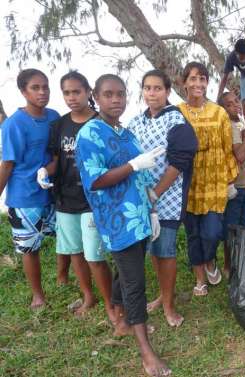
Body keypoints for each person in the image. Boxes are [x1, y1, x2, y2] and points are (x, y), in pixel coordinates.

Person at [75, 74, 170, 377]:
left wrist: (152, 210)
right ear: (96, 96)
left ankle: (123, 321)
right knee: (135, 282)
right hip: (118, 220)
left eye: (120, 94)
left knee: (126, 271)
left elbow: (140, 177)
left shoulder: (125, 132)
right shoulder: (90, 133)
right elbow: (96, 180)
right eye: (108, 94)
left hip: (139, 214)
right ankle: (146, 352)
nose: (115, 100)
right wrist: (132, 165)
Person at [40, 71, 114, 320]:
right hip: (65, 198)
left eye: (76, 92)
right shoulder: (59, 125)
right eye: (67, 93)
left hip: (93, 199)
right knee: (75, 252)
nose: (71, 97)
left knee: (94, 254)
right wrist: (44, 171)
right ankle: (88, 296)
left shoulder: (101, 122)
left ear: (88, 93)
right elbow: (57, 160)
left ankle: (110, 305)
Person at [128, 69, 197, 327]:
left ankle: (169, 305)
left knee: (166, 250)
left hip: (167, 198)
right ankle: (161, 295)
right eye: (147, 88)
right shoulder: (136, 121)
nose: (152, 93)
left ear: (167, 92)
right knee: (155, 250)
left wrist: (155, 193)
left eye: (158, 88)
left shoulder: (176, 122)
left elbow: (178, 163)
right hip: (141, 197)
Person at [178, 62, 238, 296]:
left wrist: (229, 179)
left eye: (202, 79)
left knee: (212, 232)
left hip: (214, 181)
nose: (198, 84)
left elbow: (226, 148)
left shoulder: (219, 112)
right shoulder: (176, 112)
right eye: (193, 79)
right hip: (187, 182)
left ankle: (210, 259)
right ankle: (200, 277)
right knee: (193, 233)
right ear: (184, 83)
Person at [0, 68, 59, 309]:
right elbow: (7, 164)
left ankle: (63, 276)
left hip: (54, 192)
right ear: (23, 91)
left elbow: (59, 153)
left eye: (45, 86)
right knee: (29, 248)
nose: (42, 92)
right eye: (35, 88)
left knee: (65, 240)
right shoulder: (14, 124)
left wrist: (51, 169)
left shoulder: (54, 117)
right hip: (24, 197)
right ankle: (38, 295)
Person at [218, 91, 245, 277]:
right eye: (229, 104)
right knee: (231, 228)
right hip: (233, 186)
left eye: (236, 100)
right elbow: (241, 156)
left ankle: (242, 262)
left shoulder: (241, 124)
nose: (234, 105)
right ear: (223, 110)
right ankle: (228, 265)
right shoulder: (231, 126)